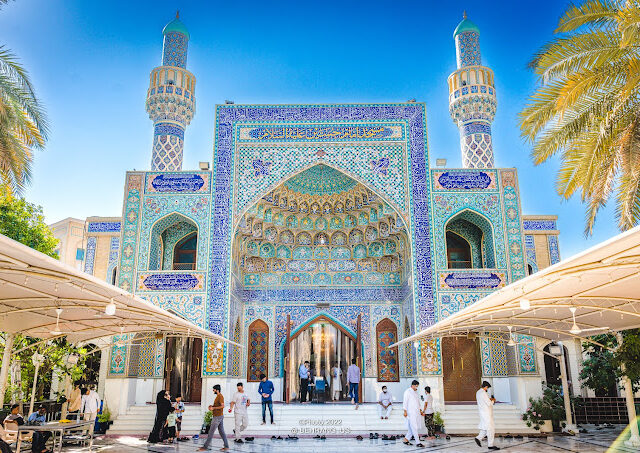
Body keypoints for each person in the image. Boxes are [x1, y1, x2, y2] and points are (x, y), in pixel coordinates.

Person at [198, 384, 229, 451]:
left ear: (217, 390)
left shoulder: (220, 396)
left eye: (214, 389)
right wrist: (212, 406)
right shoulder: (218, 396)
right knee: (222, 432)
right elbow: (217, 406)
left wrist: (213, 408)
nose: (213, 390)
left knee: (211, 432)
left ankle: (205, 447)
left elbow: (222, 406)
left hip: (217, 417)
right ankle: (226, 446)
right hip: (218, 416)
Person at [475, 381, 499, 451]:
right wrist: (493, 400)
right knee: (491, 429)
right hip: (486, 413)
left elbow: (483, 401)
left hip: (482, 412)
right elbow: (489, 404)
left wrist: (490, 399)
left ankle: (478, 438)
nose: (487, 389)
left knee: (485, 427)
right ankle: (490, 445)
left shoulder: (478, 392)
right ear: (486, 387)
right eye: (487, 388)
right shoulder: (483, 393)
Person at [402, 380, 424, 447]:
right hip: (410, 413)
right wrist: (405, 411)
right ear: (412, 385)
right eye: (416, 386)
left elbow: (418, 402)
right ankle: (418, 442)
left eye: (417, 386)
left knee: (413, 428)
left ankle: (406, 439)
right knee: (414, 427)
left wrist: (420, 410)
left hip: (416, 412)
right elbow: (405, 401)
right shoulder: (407, 392)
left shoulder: (416, 392)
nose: (416, 387)